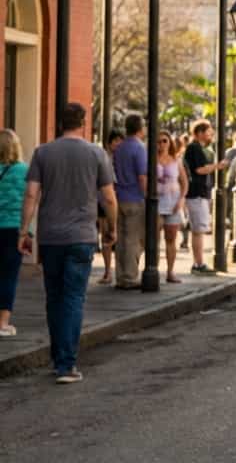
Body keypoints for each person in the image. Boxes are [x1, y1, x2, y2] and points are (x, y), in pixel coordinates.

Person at [20, 103, 118, 383]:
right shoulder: (96, 153)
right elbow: (109, 198)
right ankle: (66, 365)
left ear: (59, 124)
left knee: (54, 298)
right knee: (74, 298)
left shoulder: (43, 152)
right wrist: (112, 228)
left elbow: (31, 196)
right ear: (84, 123)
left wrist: (24, 232)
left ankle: (58, 358)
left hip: (51, 237)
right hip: (82, 237)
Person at [182, 120, 227, 275]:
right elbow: (199, 170)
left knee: (198, 230)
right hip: (196, 193)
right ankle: (198, 264)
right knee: (198, 230)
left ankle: (198, 262)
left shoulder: (198, 148)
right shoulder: (194, 148)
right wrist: (217, 166)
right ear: (199, 133)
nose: (211, 135)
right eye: (208, 132)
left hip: (199, 193)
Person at [111, 114, 148, 290]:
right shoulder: (139, 148)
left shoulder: (119, 148)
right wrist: (147, 194)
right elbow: (142, 176)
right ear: (140, 128)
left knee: (121, 240)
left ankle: (120, 276)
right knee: (134, 240)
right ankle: (131, 277)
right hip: (135, 198)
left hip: (119, 198)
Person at [0, 129, 29, 337]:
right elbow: (30, 199)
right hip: (13, 228)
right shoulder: (24, 171)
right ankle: (3, 323)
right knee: (9, 275)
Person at [155, 131, 188, 284]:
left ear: (170, 143)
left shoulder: (176, 160)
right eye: (158, 141)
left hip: (173, 203)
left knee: (171, 239)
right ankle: (153, 269)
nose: (161, 144)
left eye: (164, 141)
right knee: (154, 239)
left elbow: (184, 182)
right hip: (156, 204)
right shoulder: (151, 160)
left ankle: (170, 272)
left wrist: (181, 200)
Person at [99, 130, 123, 283]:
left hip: (120, 199)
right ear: (109, 142)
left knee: (119, 236)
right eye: (116, 141)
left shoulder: (122, 159)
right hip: (104, 201)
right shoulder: (104, 158)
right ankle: (108, 271)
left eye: (121, 141)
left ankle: (119, 270)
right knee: (106, 235)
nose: (118, 144)